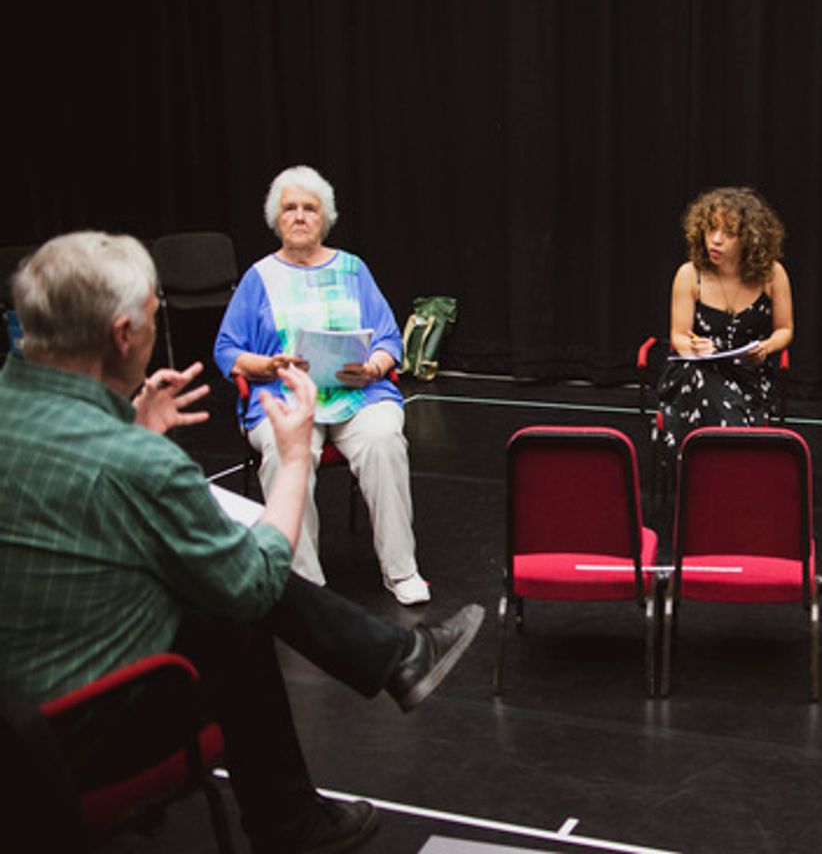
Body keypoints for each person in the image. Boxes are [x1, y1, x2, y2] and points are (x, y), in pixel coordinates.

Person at [0, 231, 484, 852]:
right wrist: (292, 459)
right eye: (152, 316)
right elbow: (253, 583)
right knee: (233, 608)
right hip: (73, 736)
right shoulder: (135, 465)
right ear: (123, 336)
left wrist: (130, 426)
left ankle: (390, 670)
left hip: (15, 710)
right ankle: (298, 816)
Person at [216, 165, 430, 605]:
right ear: (277, 218)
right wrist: (270, 365)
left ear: (324, 218)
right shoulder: (258, 278)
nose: (298, 216)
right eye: (289, 208)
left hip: (359, 393)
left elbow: (389, 339)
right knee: (283, 450)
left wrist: (372, 367)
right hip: (285, 396)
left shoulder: (353, 269)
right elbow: (227, 351)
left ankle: (402, 571)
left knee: (383, 440)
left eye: (309, 208)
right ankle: (307, 588)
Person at [654, 186, 794, 465]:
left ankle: (710, 466)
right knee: (699, 377)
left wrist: (767, 347)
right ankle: (733, 460)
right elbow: (678, 337)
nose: (715, 241)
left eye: (728, 234)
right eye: (710, 230)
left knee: (708, 387)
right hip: (696, 369)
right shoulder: (689, 274)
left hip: (748, 373)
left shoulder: (772, 274)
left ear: (749, 239)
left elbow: (785, 330)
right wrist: (694, 347)